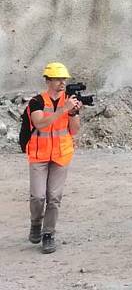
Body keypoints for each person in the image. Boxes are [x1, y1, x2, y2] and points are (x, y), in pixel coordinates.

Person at [25, 63, 82, 254]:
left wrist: (73, 112)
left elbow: (73, 130)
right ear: (48, 80)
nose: (62, 83)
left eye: (64, 79)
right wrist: (62, 110)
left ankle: (48, 234)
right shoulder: (36, 102)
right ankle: (35, 223)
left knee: (54, 198)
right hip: (39, 155)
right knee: (38, 197)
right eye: (58, 79)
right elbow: (40, 123)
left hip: (61, 155)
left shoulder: (69, 102)